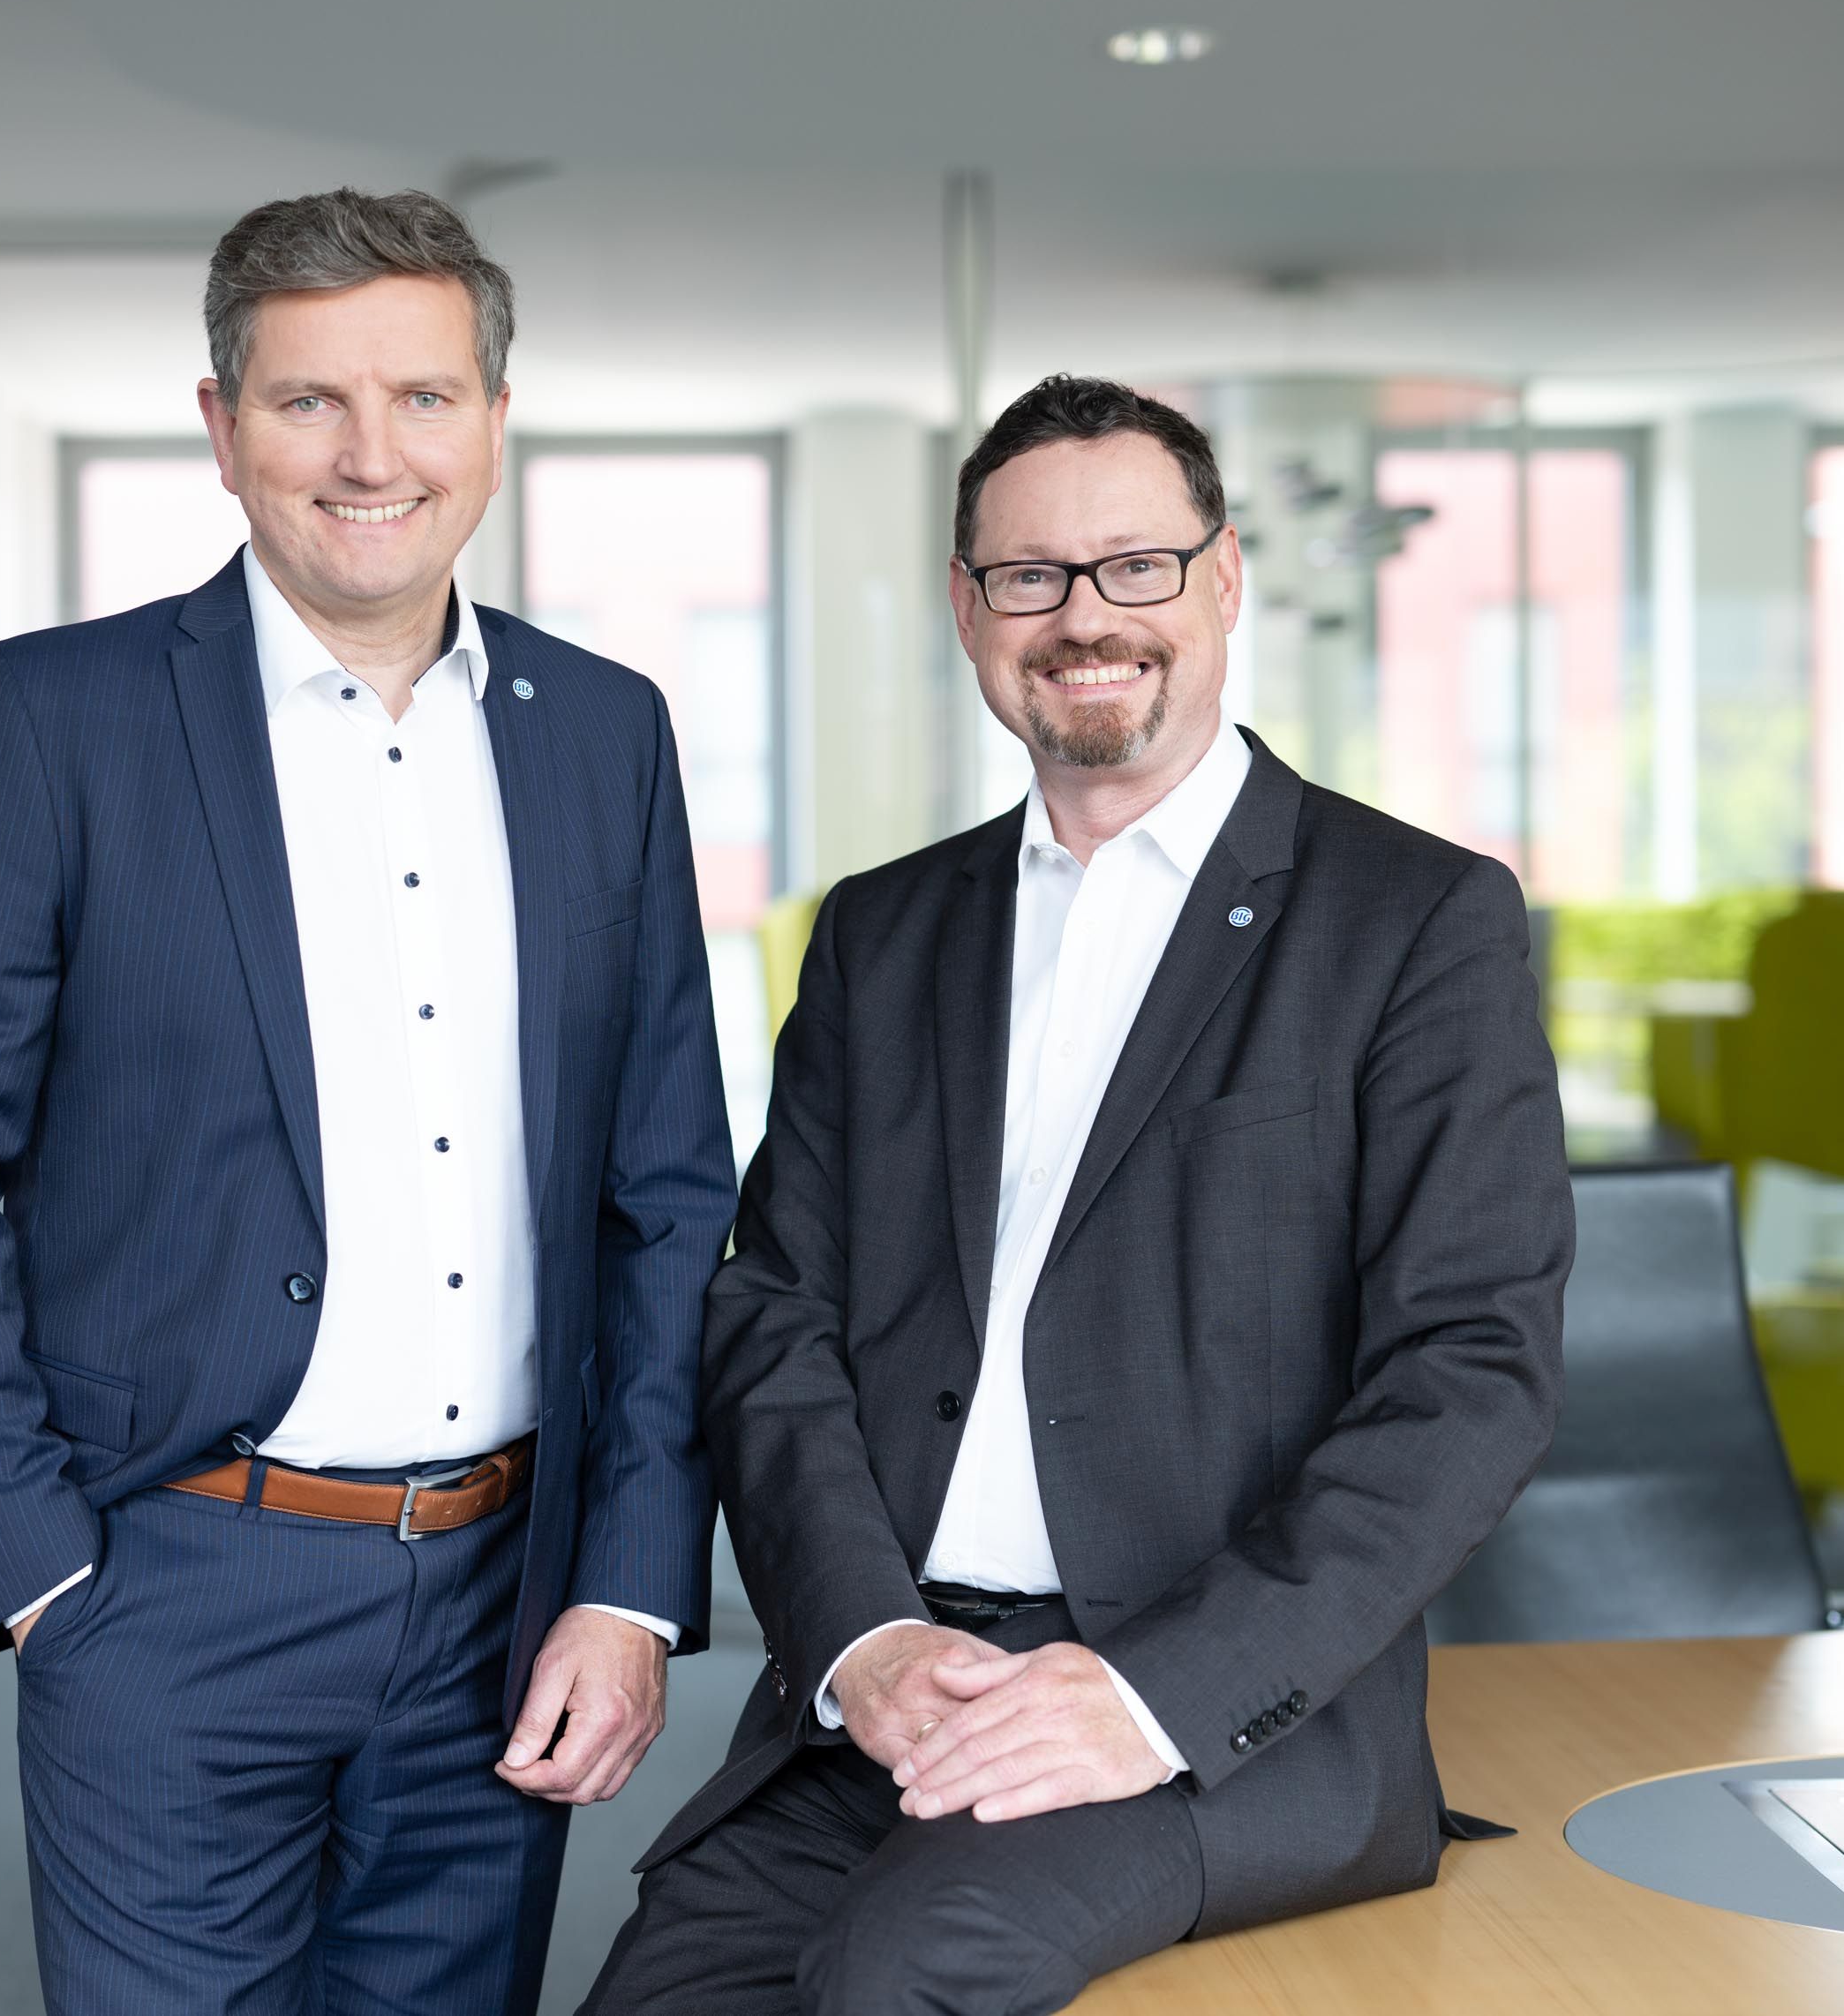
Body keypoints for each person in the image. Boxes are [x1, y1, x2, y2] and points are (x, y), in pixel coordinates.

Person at [0, 187, 735, 2014]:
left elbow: (666, 1188)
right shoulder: (55, 718)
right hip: (165, 1580)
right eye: (311, 399)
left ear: (493, 421)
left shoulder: (604, 730)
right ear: (222, 426)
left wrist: (630, 1580)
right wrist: (36, 1569)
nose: (371, 455)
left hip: (506, 1597)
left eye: (424, 396)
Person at [583, 374, 1572, 2015]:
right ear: (970, 608)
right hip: (901, 1682)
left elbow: (1471, 1376)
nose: (1086, 616)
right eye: (1032, 574)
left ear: (1224, 578)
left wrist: (1145, 1694)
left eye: (1137, 566)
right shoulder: (884, 933)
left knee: (905, 1972)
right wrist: (864, 1642)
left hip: (1208, 1717)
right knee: (664, 1989)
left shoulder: (1413, 918)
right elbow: (776, 1316)